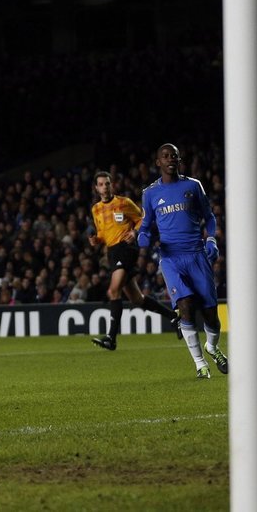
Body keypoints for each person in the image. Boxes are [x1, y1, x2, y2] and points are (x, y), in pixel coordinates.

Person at [137, 143, 228, 378]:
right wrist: (143, 239)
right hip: (171, 258)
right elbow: (145, 227)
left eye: (174, 156)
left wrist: (212, 241)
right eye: (165, 156)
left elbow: (209, 217)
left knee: (210, 314)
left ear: (179, 160)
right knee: (185, 305)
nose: (170, 159)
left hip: (197, 255)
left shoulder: (193, 186)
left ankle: (212, 347)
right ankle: (200, 364)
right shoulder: (150, 193)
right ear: (158, 162)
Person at [88, 171, 180, 351]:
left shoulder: (124, 203)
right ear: (96, 188)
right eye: (101, 184)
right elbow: (102, 233)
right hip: (112, 252)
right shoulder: (96, 209)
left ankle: (111, 338)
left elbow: (142, 219)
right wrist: (96, 240)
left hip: (126, 248)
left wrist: (135, 232)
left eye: (107, 183)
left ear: (111, 185)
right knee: (137, 299)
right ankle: (173, 317)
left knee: (113, 290)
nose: (104, 187)